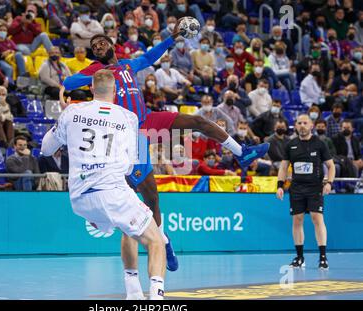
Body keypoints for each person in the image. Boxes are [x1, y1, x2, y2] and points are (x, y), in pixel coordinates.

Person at [63, 27, 270, 272]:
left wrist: (173, 37)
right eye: (94, 46)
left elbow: (151, 56)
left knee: (198, 122)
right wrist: (96, 74)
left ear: (112, 45)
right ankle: (163, 241)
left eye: (101, 43)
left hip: (147, 118)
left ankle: (241, 153)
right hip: (129, 136)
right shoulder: (97, 71)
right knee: (149, 196)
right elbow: (69, 82)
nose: (97, 46)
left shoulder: (128, 65)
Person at [42, 69, 166, 300]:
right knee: (156, 240)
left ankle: (134, 292)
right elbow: (131, 166)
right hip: (112, 192)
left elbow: (46, 149)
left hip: (79, 198)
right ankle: (157, 299)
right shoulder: (128, 117)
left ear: (91, 89)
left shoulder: (72, 112)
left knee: (128, 227)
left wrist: (63, 118)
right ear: (116, 92)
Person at [277, 114, 335, 269]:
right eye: (299, 123)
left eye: (305, 123)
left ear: (311, 126)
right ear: (295, 126)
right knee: (297, 220)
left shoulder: (320, 144)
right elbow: (283, 167)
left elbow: (331, 166)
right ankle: (299, 257)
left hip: (315, 188)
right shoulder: (291, 145)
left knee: (317, 218)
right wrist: (280, 186)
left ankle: (323, 257)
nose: (302, 125)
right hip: (296, 188)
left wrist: (329, 183)